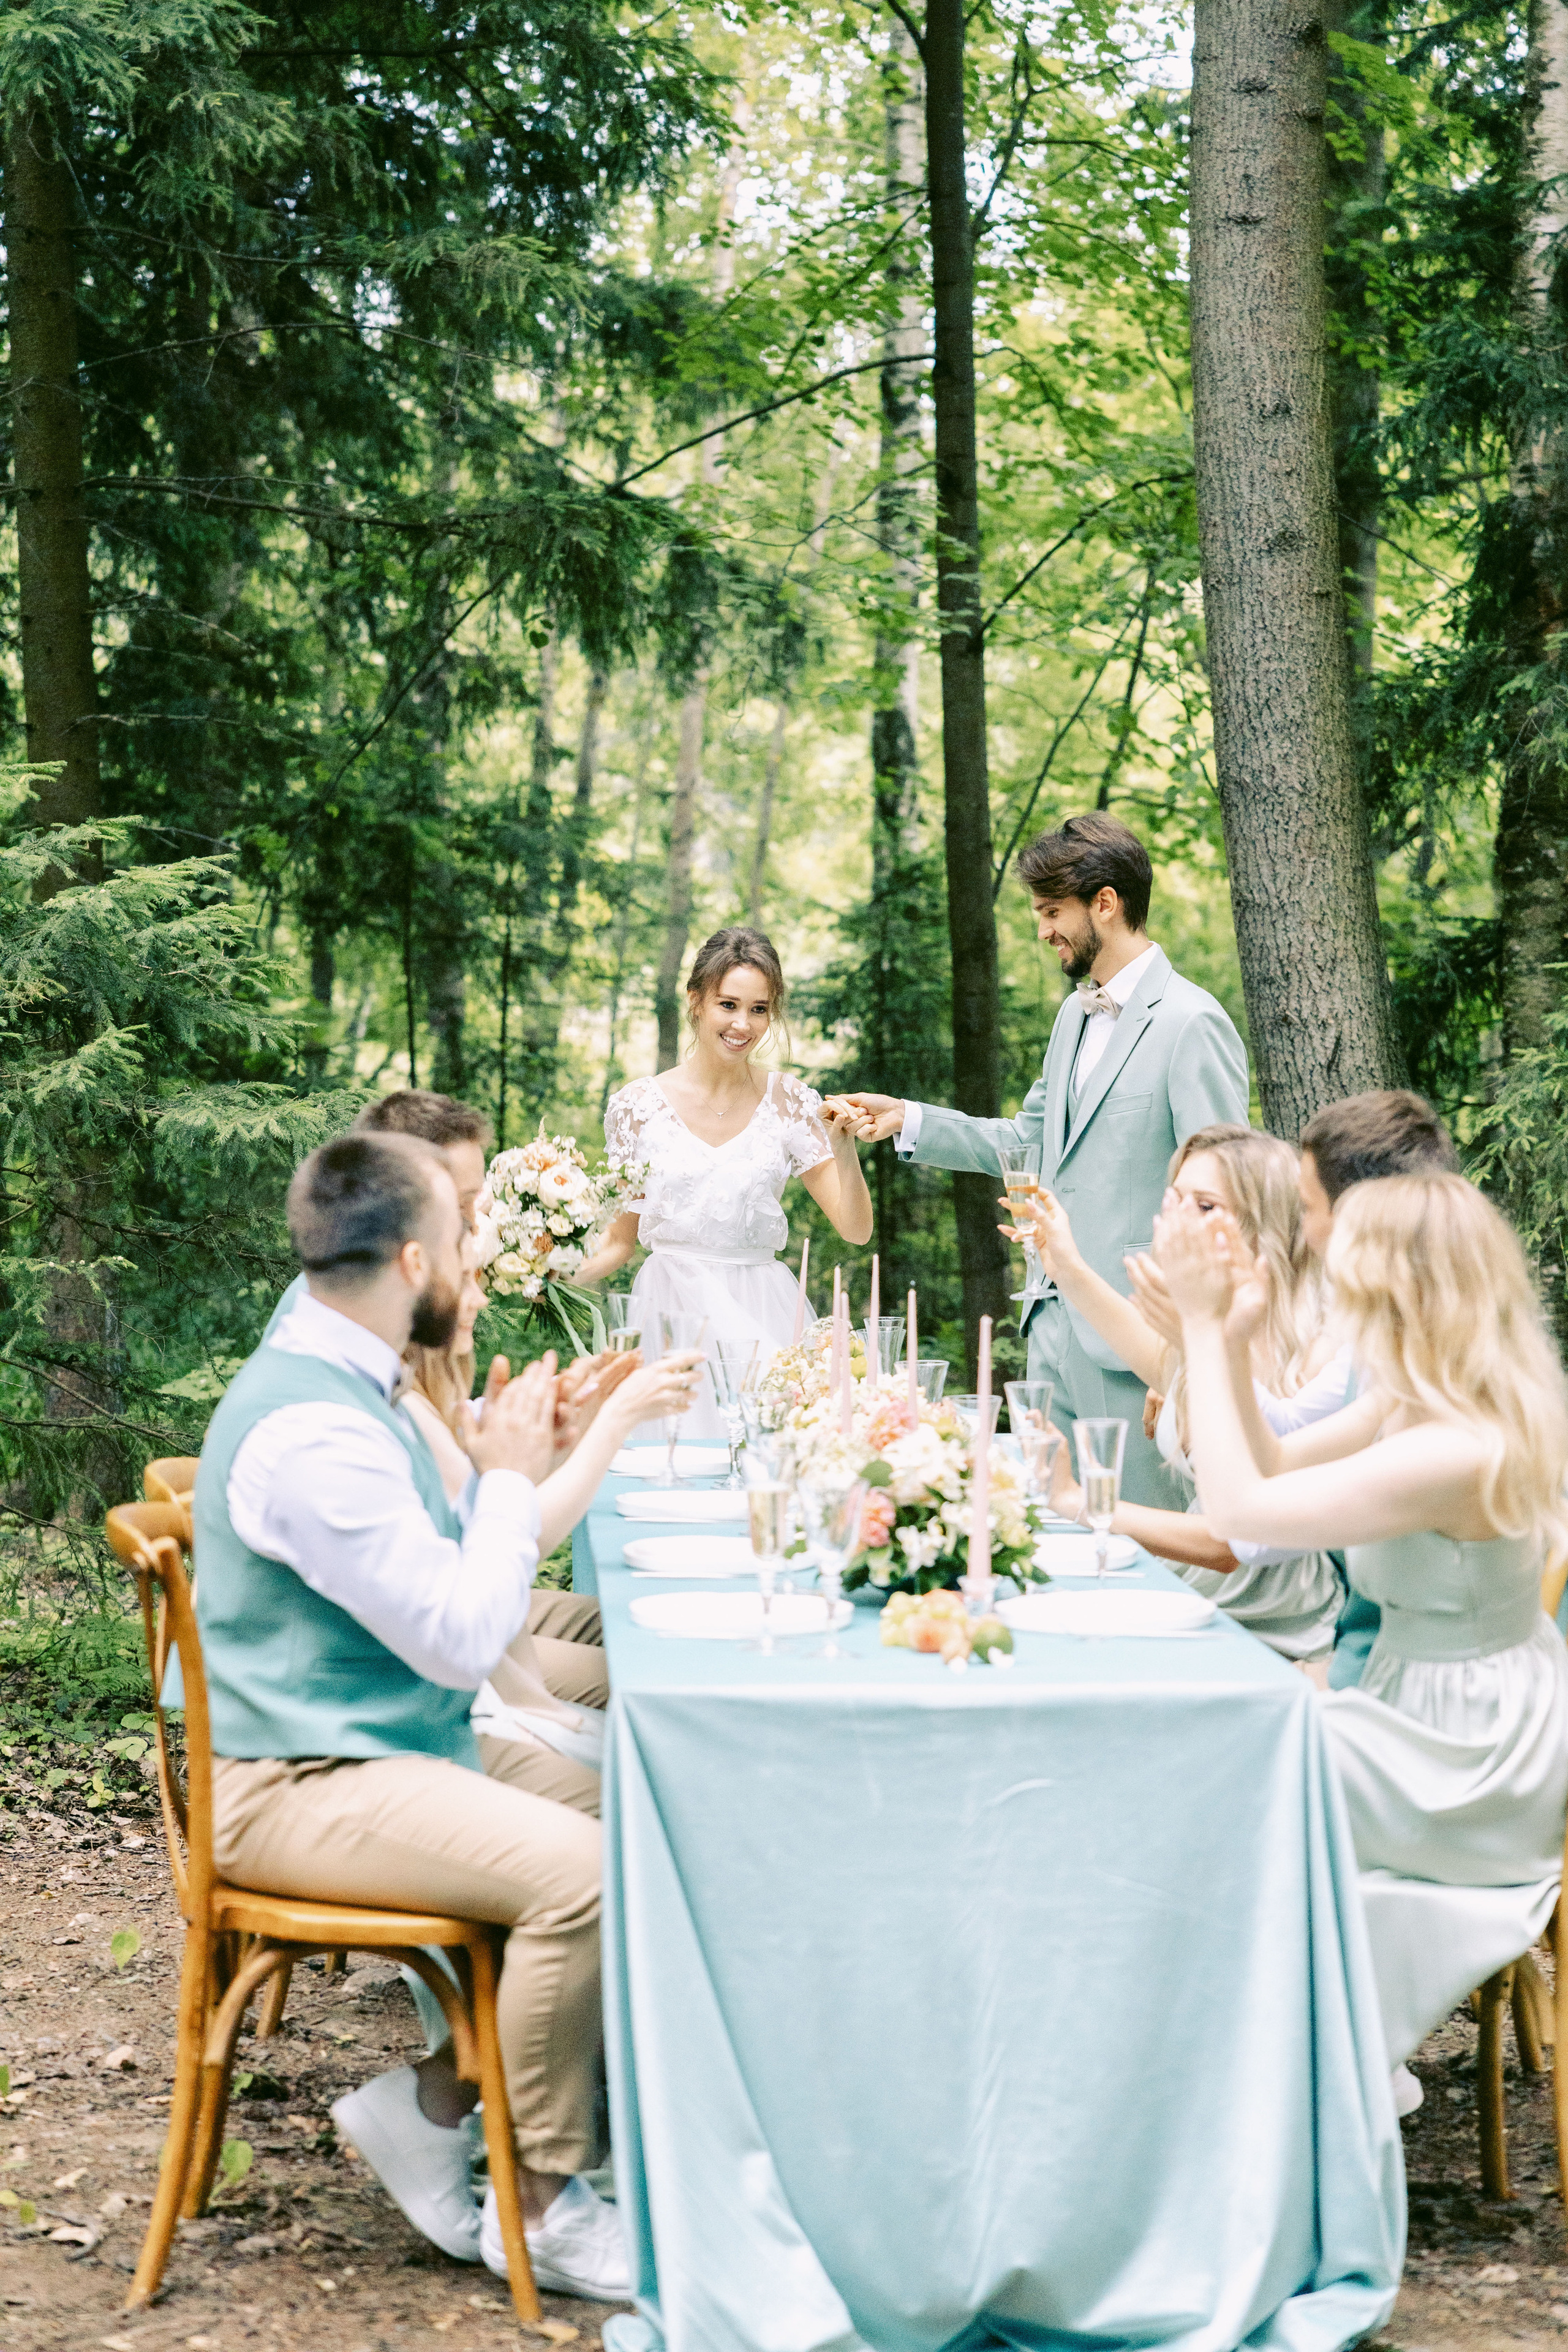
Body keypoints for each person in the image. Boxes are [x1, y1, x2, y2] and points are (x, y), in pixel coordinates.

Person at [198, 1131, 698, 2293]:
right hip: (300, 1779)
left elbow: (440, 1577)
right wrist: (512, 1482)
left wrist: (515, 1458)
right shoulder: (311, 1428)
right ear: (417, 1261)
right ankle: (539, 2203)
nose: (478, 1260)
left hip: (384, 1740)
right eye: (465, 1239)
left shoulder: (353, 1386)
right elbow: (464, 1637)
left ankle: (447, 2107)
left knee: (655, 1808)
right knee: (583, 1872)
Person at [1156, 1172, 1568, 2086]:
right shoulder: (1418, 1401)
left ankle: (1253, 2079)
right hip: (1423, 1709)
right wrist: (1229, 1338)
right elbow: (1269, 1472)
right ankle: (1250, 2070)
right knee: (1225, 1751)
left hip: (1470, 1754)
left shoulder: (1459, 1446)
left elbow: (1239, 1516)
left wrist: (1189, 1321)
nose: (1336, 1305)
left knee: (1221, 1770)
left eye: (1349, 1285)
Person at [843, 813, 1248, 1503]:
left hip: (1138, 1347)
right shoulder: (1073, 1018)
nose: (1042, 930)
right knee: (1053, 1536)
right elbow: (1028, 1142)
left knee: (1141, 1558)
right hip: (1050, 1332)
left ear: (1105, 903)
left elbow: (1225, 1202)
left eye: (1050, 911)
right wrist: (910, 1120)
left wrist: (1187, 1356)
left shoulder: (1191, 1023)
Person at [270, 1087, 603, 1656]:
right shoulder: (357, 1331)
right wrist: (607, 1429)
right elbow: (476, 1534)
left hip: (425, 1614)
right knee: (621, 1671)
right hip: (370, 1659)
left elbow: (457, 1465)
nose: (478, 1228)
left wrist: (546, 1423)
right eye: (465, 1208)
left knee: (625, 1633)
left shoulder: (383, 1310)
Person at [1010, 1126, 1342, 1665]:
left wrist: (1078, 1501)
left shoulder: (1317, 1348)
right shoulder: (1208, 1328)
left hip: (1274, 1635)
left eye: (1206, 1205)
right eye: (1176, 1200)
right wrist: (1064, 1264)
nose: (1179, 1220)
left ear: (1266, 1222)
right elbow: (1148, 1351)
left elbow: (1229, 1544)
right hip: (1191, 1604)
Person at [580, 925, 873, 1434]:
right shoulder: (637, 1107)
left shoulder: (791, 1101)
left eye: (759, 1009)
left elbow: (855, 1229)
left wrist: (844, 1150)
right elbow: (618, 1242)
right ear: (696, 1001)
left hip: (762, 1308)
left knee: (767, 1459)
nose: (743, 1024)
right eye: (728, 1004)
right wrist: (555, 1276)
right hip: (669, 1315)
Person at [402, 1267, 612, 1817]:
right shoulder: (397, 1403)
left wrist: (564, 1429)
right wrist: (613, 1426)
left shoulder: (432, 1391)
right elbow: (509, 1537)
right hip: (439, 1681)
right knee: (639, 1668)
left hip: (473, 1635)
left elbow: (498, 1501)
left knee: (629, 1622)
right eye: (464, 1277)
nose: (481, 1297)